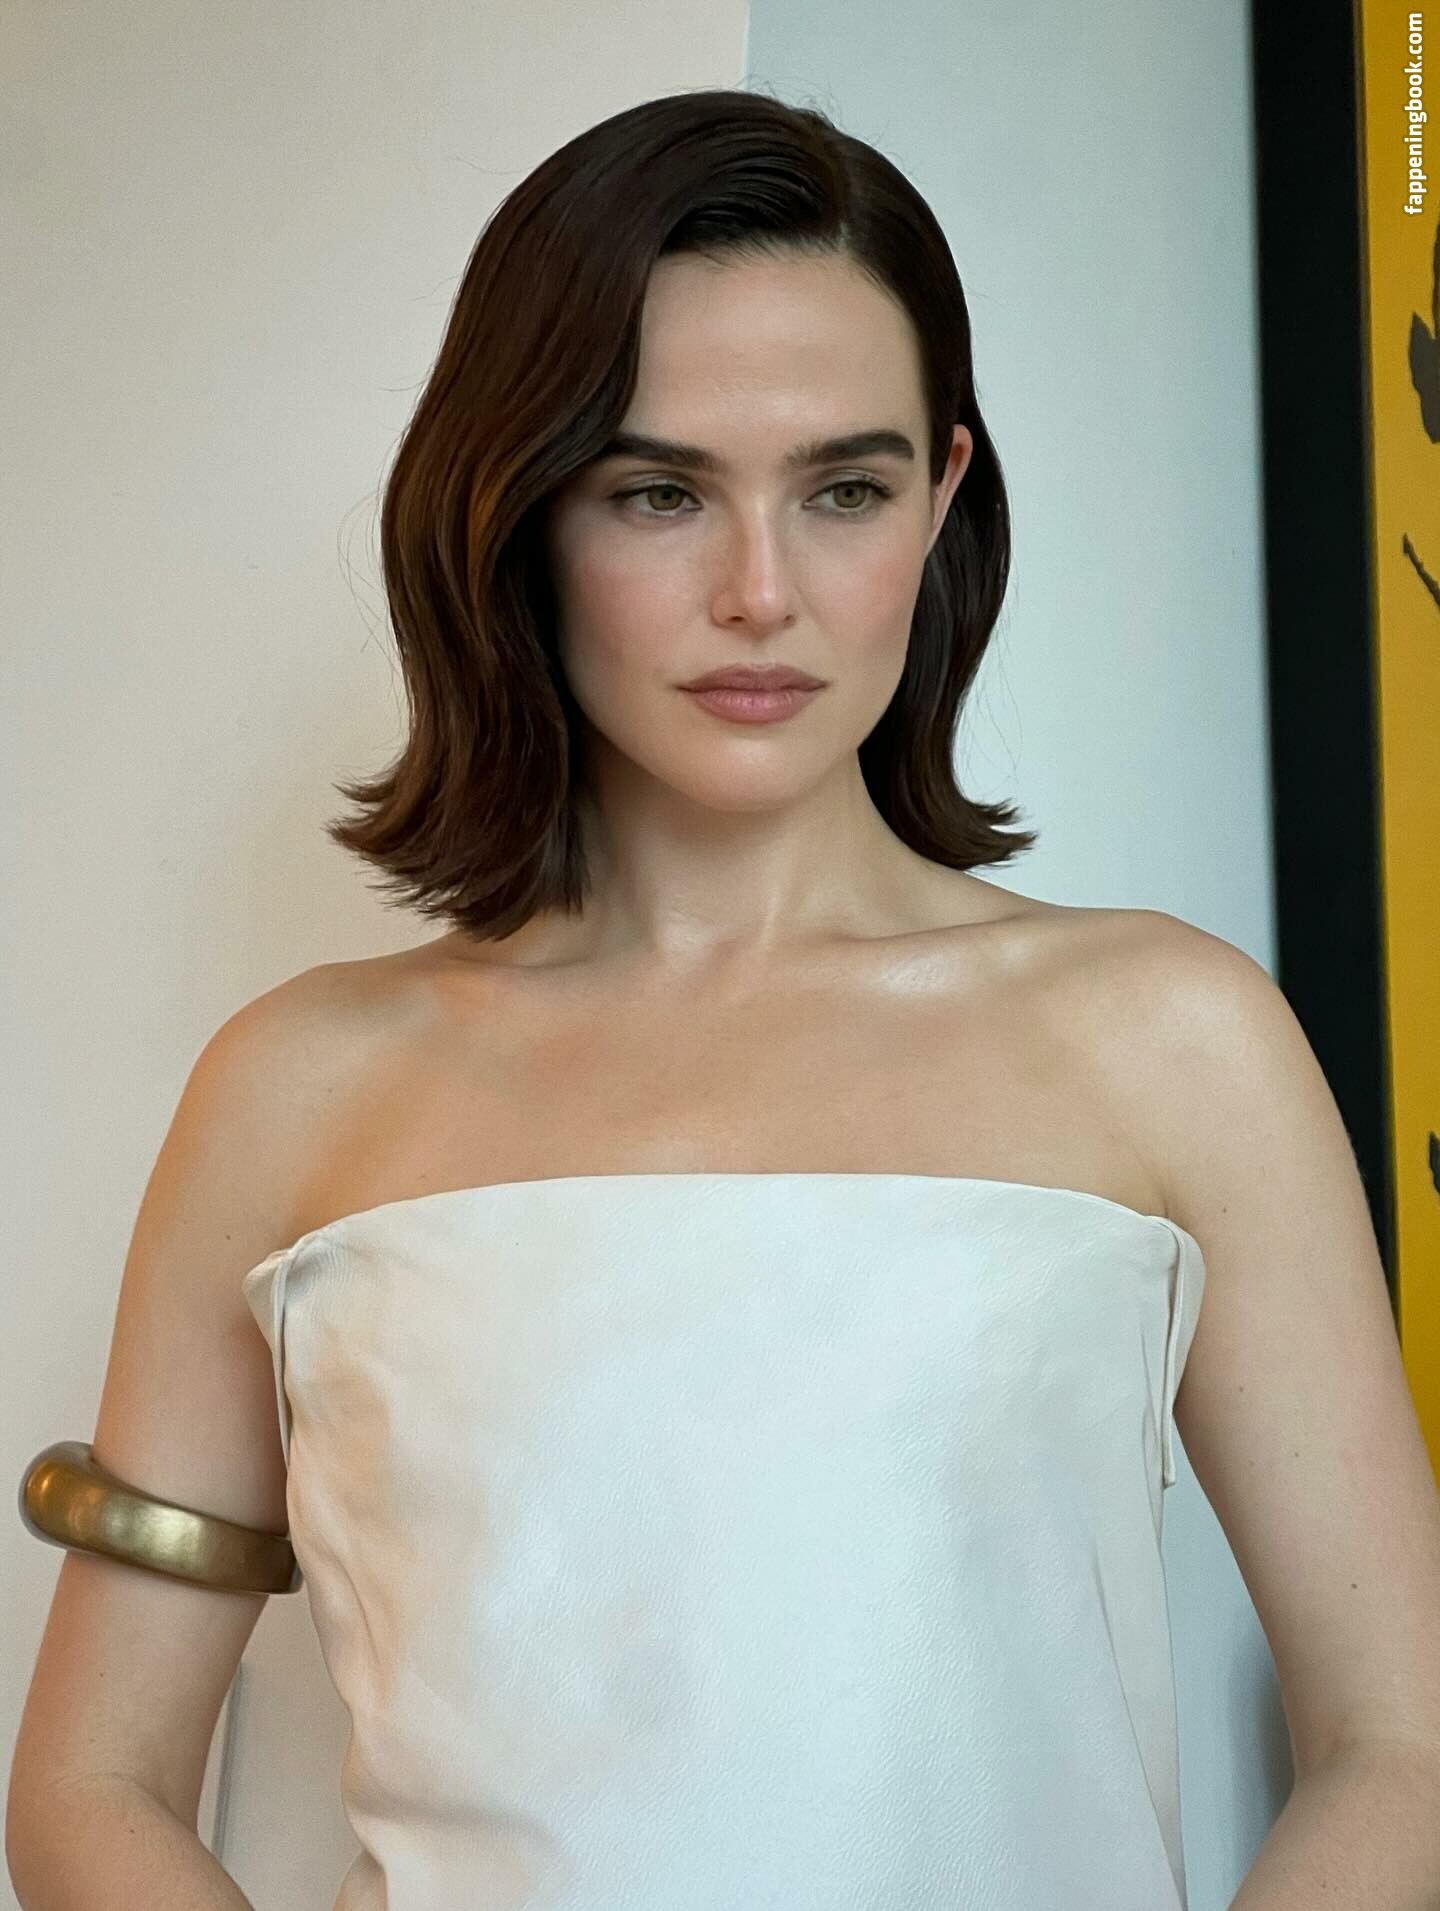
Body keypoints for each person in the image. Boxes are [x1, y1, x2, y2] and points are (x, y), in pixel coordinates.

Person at [14, 85, 1440, 1911]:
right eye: (660, 492)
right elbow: (93, 1787)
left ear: (943, 492)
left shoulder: (1175, 1040)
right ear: (520, 510)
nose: (761, 593)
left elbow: (1402, 1743)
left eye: (843, 489)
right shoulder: (298, 1085)